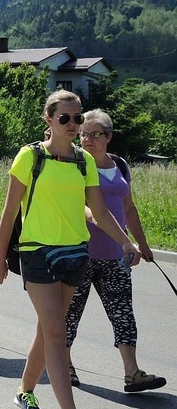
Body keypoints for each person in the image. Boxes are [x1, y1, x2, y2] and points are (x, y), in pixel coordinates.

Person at [0, 90, 141, 409]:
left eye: (77, 118)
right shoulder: (30, 156)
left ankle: (25, 391)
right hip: (37, 253)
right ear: (49, 120)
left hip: (75, 253)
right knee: (57, 332)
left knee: (47, 330)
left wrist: (125, 242)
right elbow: (10, 212)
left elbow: (100, 212)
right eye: (65, 118)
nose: (74, 125)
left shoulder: (84, 161)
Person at [65, 109, 166, 393]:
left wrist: (142, 244)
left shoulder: (119, 165)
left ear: (108, 136)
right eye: (84, 134)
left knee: (123, 314)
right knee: (70, 314)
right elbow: (80, 207)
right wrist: (98, 219)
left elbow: (129, 207)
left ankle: (132, 373)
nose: (87, 139)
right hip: (81, 253)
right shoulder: (75, 164)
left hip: (115, 256)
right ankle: (66, 365)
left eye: (94, 134)